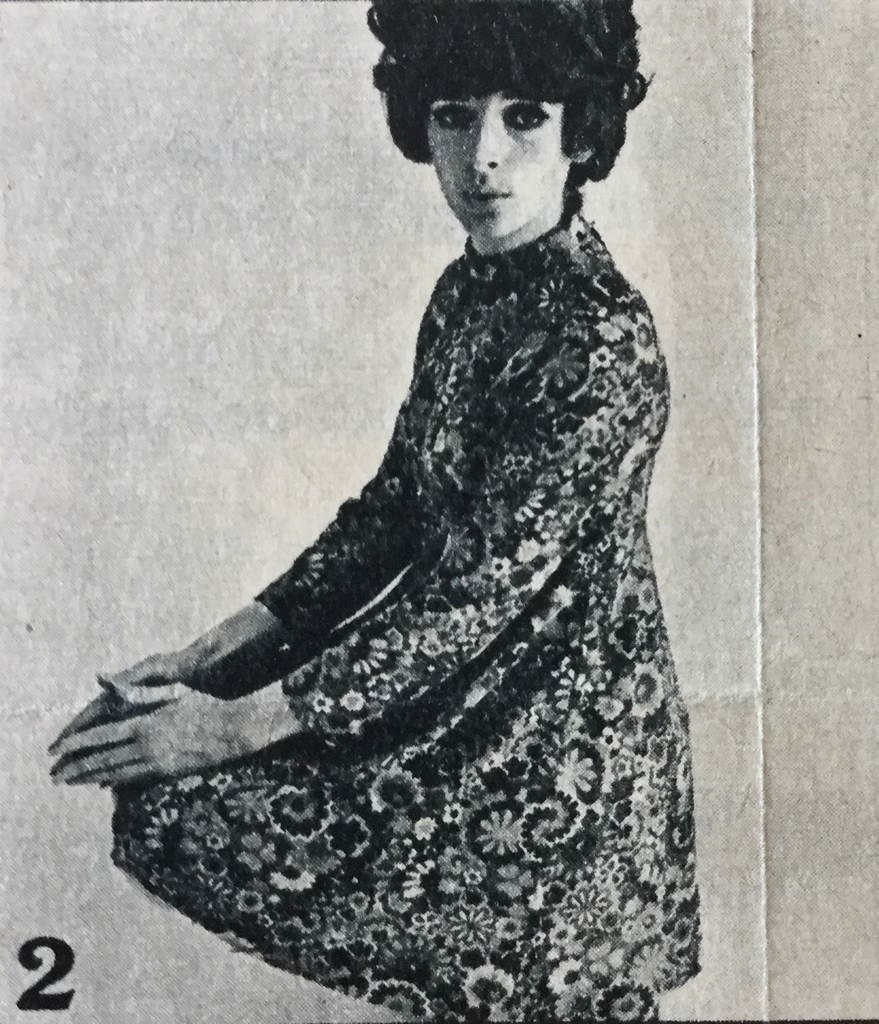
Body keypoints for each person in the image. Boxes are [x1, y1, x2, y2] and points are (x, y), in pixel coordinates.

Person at [50, 1, 701, 1020]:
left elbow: (465, 601)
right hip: (455, 708)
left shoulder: (598, 340)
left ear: (582, 131)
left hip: (554, 768)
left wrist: (230, 728)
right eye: (453, 115)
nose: (483, 157)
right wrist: (205, 661)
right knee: (163, 801)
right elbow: (392, 511)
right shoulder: (469, 293)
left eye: (524, 117)